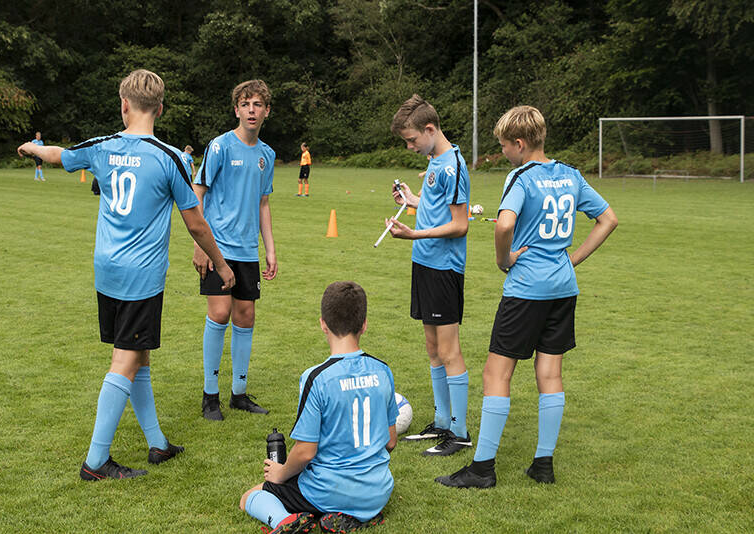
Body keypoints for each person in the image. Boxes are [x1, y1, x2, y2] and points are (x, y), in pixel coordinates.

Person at [17, 69, 235, 481]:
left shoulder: (102, 147)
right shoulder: (172, 156)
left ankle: (157, 443)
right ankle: (96, 461)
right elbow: (196, 224)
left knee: (139, 354)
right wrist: (222, 266)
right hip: (141, 275)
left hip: (107, 269)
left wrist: (32, 148)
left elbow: (59, 155)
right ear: (161, 108)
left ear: (124, 105)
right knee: (126, 359)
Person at [436, 105, 618, 489]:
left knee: (496, 373)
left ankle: (482, 468)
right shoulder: (570, 174)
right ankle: (543, 464)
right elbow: (608, 220)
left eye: (503, 145)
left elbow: (504, 224)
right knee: (550, 373)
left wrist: (503, 260)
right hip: (563, 289)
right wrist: (571, 259)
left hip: (527, 289)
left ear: (519, 144)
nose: (502, 152)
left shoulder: (521, 177)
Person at [240, 281, 397, 534]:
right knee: (333, 486)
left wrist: (281, 474)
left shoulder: (316, 378)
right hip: (377, 492)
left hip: (328, 491)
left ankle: (286, 521)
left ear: (323, 324)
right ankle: (353, 516)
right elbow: (390, 442)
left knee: (250, 497)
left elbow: (305, 452)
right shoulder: (383, 370)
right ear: (364, 324)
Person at [386, 94, 472, 457]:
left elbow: (460, 224)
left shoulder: (453, 166)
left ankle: (460, 432)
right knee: (433, 348)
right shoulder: (435, 161)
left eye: (411, 140)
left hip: (443, 268)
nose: (410, 147)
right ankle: (441, 421)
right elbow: (437, 207)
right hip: (424, 264)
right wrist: (412, 200)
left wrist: (414, 234)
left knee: (449, 351)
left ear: (430, 129)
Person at [193, 79, 278, 420]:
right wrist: (200, 245)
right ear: (236, 110)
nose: (251, 110)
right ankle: (210, 396)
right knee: (220, 313)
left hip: (247, 251)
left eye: (257, 104)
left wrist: (270, 249)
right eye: (245, 104)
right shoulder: (220, 147)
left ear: (267, 111)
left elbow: (263, 203)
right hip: (217, 247)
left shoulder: (267, 155)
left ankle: (239, 394)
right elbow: (198, 191)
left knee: (245, 316)